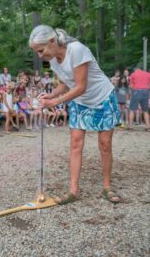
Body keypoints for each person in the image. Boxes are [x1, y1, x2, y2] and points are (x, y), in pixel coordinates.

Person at [29, 25, 121, 204]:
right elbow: (66, 83)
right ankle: (73, 191)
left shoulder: (77, 50)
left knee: (105, 144)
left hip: (102, 97)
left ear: (52, 41)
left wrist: (54, 103)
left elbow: (80, 86)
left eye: (41, 50)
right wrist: (52, 94)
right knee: (75, 144)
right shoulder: (54, 60)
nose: (40, 56)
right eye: (37, 52)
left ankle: (107, 186)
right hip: (80, 101)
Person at [127, 67, 150, 131]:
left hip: (136, 91)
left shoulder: (133, 74)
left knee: (132, 110)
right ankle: (148, 127)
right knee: (145, 111)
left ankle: (130, 127)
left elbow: (131, 86)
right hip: (146, 92)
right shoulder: (148, 74)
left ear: (135, 70)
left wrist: (134, 90)